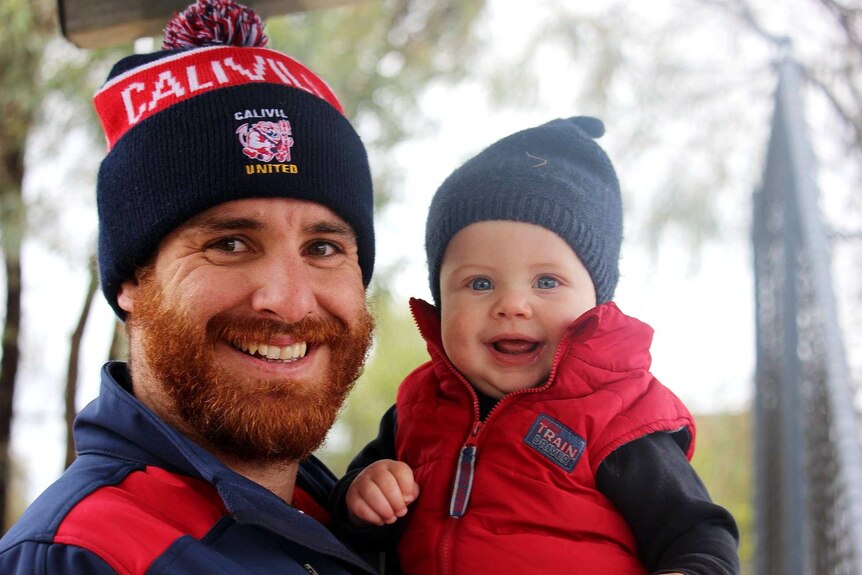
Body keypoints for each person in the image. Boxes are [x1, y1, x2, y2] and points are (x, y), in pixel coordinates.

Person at [0, 1, 378, 573]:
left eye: (323, 248)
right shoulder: (81, 556)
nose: (291, 299)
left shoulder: (352, 515)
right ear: (132, 277)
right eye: (230, 244)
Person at [330, 117, 740, 574]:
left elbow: (697, 533)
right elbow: (353, 528)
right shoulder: (417, 410)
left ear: (596, 303)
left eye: (546, 281)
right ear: (441, 301)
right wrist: (363, 498)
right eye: (479, 283)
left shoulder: (617, 417)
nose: (512, 304)